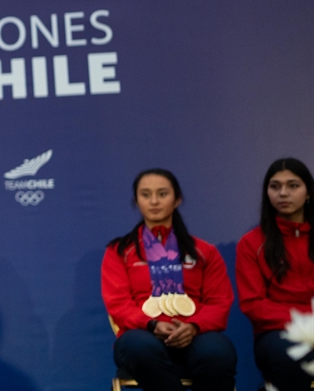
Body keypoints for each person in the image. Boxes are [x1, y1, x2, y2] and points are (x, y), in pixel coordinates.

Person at [101, 168, 236, 391]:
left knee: (218, 353)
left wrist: (193, 326)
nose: (154, 201)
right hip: (143, 334)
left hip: (195, 334)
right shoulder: (119, 251)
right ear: (137, 200)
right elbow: (118, 304)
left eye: (162, 194)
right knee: (139, 347)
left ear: (177, 199)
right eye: (146, 194)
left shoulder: (204, 251)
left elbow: (219, 302)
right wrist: (151, 324)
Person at [237, 158, 314, 391]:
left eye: (293, 185)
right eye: (275, 186)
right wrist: (306, 324)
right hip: (277, 334)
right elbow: (253, 305)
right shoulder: (251, 243)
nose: (283, 193)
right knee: (290, 355)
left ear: (308, 192)